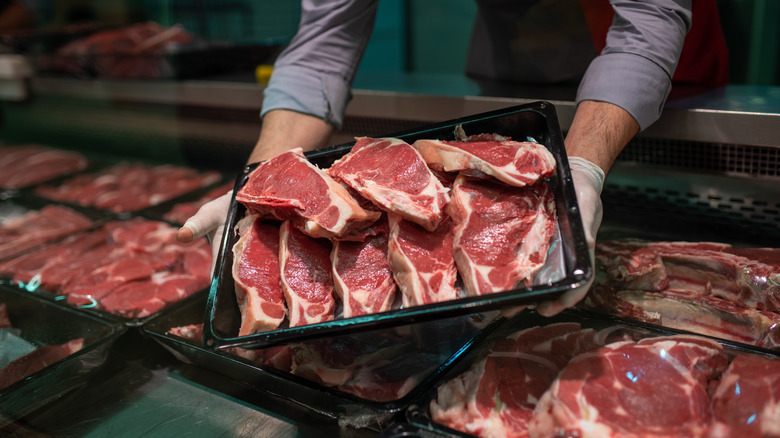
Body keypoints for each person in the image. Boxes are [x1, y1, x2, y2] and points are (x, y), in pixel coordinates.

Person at [176, 0, 721, 316]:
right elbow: (324, 43)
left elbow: (646, 26)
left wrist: (583, 170)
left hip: (648, 81)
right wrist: (262, 181)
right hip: (514, 58)